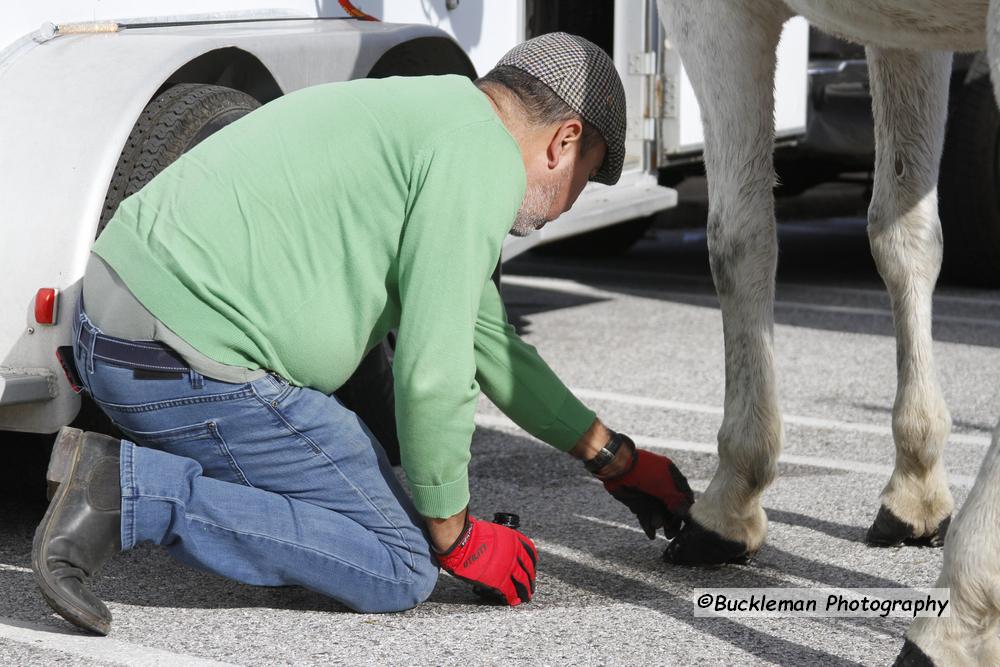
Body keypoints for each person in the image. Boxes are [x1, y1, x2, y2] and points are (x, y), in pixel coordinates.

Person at [32, 33, 694, 635]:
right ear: (564, 142)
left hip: (119, 327)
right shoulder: (482, 161)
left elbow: (490, 343)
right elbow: (433, 374)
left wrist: (615, 457)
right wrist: (457, 537)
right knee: (399, 561)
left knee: (380, 507)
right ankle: (130, 494)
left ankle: (139, 484)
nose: (572, 199)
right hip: (180, 358)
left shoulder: (437, 118)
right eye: (586, 174)